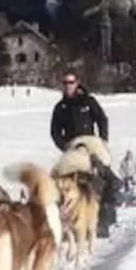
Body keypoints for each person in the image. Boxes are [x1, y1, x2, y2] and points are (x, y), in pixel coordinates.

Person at [50, 72, 118, 237]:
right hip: (71, 148)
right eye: (66, 83)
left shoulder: (88, 101)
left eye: (71, 82)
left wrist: (103, 139)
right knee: (56, 179)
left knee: (106, 176)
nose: (68, 86)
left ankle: (104, 219)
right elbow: (55, 131)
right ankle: (59, 221)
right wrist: (64, 145)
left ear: (77, 83)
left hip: (91, 145)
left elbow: (102, 119)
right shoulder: (60, 108)